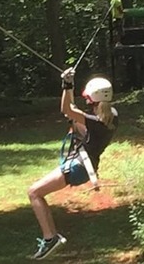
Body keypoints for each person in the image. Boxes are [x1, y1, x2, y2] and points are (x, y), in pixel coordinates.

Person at [27, 67, 118, 259]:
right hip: (86, 165)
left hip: (79, 165)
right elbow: (76, 116)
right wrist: (72, 105)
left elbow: (67, 109)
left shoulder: (93, 120)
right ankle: (51, 238)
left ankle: (50, 238)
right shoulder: (111, 116)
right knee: (37, 192)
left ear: (91, 98)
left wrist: (67, 85)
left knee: (34, 192)